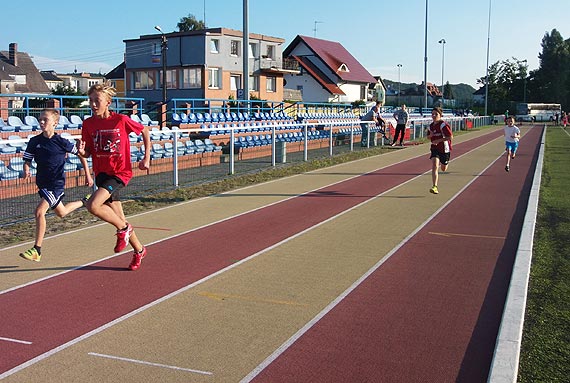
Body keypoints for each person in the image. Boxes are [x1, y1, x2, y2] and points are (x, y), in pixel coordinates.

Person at [78, 83, 151, 271]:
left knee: (93, 205)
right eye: (91, 101)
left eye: (97, 101)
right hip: (102, 173)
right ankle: (139, 250)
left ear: (108, 102)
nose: (93, 104)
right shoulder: (88, 124)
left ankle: (123, 230)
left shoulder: (121, 120)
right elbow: (88, 153)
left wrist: (146, 157)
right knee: (120, 218)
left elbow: (145, 131)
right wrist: (81, 151)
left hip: (119, 173)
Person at [19, 108, 93, 262]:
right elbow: (27, 160)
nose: (41, 122)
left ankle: (37, 250)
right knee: (62, 212)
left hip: (56, 184)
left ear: (55, 123)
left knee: (39, 212)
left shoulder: (61, 141)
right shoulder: (35, 141)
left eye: (45, 119)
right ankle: (85, 201)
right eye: (40, 119)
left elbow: (81, 155)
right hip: (43, 184)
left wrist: (87, 174)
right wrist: (26, 169)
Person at [426, 106, 453, 194]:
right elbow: (428, 137)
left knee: (443, 168)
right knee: (434, 165)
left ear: (440, 115)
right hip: (435, 148)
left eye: (436, 114)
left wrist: (439, 140)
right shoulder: (430, 126)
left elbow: (450, 137)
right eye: (432, 114)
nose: (434, 116)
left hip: (444, 149)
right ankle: (434, 186)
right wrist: (431, 135)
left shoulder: (443, 125)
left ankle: (445, 162)